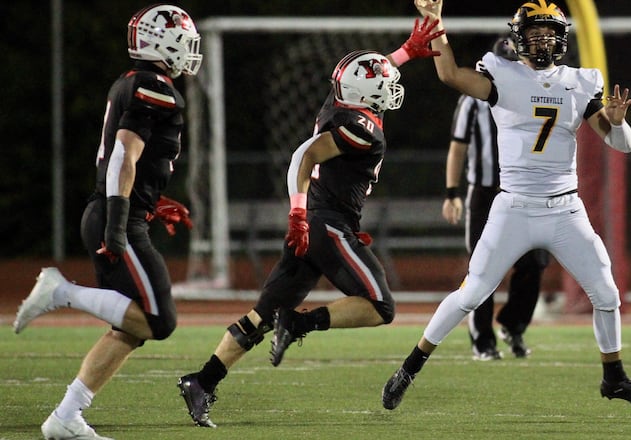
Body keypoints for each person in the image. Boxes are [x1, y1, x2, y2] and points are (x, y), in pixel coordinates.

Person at [382, 0, 631, 410]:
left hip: (565, 209)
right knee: (472, 293)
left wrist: (619, 123)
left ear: (562, 38)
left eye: (550, 33)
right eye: (534, 34)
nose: (543, 41)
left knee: (606, 292)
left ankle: (614, 376)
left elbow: (622, 145)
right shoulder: (502, 73)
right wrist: (436, 25)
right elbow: (449, 74)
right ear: (519, 38)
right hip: (513, 207)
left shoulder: (580, 82)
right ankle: (409, 367)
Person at [175, 17, 445, 428]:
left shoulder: (339, 103)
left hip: (316, 223)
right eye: (384, 85)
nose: (391, 90)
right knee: (381, 306)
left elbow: (367, 77)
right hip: (328, 224)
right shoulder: (364, 128)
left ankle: (202, 381)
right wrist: (298, 213)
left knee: (261, 314)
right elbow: (306, 156)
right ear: (365, 94)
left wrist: (406, 51)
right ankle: (300, 322)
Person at [12, 4, 201, 439]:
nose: (190, 52)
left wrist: (154, 200)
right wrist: (120, 221)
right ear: (164, 44)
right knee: (159, 321)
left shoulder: (135, 83)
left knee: (130, 328)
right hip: (117, 216)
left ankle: (65, 417)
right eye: (185, 42)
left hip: (119, 210)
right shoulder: (154, 86)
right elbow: (123, 156)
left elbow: (133, 160)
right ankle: (63, 292)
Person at [443, 36, 549, 361]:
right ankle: (482, 339)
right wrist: (452, 192)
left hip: (524, 190)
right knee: (483, 266)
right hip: (485, 192)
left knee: (535, 262)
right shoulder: (474, 100)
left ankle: (512, 325)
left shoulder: (536, 93)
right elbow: (458, 146)